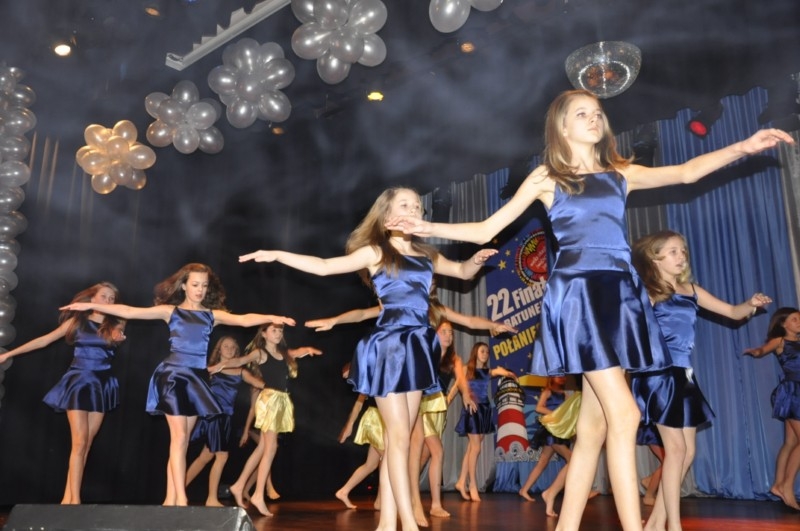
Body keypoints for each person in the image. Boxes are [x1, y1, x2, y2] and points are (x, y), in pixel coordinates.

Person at [386, 89, 792, 531]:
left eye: (597, 112)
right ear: (562, 127)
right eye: (581, 113)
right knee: (626, 414)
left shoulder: (619, 173)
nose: (593, 118)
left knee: (594, 429)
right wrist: (425, 225)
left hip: (620, 294)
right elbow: (487, 228)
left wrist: (743, 146)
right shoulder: (548, 177)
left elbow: (687, 172)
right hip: (581, 294)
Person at [239, 187, 496, 531]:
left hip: (418, 346)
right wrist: (277, 254)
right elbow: (325, 266)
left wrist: (476, 261)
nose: (413, 210)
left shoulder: (427, 254)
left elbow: (462, 272)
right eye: (405, 205)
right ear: (387, 216)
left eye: (417, 206)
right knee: (399, 438)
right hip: (389, 346)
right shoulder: (376, 251)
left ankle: (387, 523)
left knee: (398, 441)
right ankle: (407, 521)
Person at [60, 263, 295, 507]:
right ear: (184, 286)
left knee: (181, 442)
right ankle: (181, 499)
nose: (200, 290)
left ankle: (170, 499)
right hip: (173, 376)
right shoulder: (171, 312)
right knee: (180, 436)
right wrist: (91, 306)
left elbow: (243, 320)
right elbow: (130, 311)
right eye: (195, 285)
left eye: (204, 286)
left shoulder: (211, 316)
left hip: (196, 380)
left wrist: (271, 317)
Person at [307, 294, 516, 524]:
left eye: (450, 332)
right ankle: (410, 508)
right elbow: (364, 313)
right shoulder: (398, 304)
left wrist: (492, 324)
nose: (448, 335)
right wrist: (335, 320)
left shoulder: (436, 314)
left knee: (404, 447)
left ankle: (397, 510)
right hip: (402, 378)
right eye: (444, 331)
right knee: (404, 446)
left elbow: (468, 320)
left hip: (423, 388)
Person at [630, 230, 772, 530]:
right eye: (673, 251)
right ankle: (674, 525)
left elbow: (732, 312)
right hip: (658, 374)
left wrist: (751, 304)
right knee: (677, 450)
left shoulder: (691, 290)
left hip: (683, 374)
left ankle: (655, 523)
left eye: (683, 250)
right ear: (654, 258)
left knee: (688, 452)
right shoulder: (646, 292)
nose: (681, 256)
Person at [0, 282, 125, 505]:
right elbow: (45, 340)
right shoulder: (77, 322)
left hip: (101, 385)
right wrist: (10, 354)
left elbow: (119, 333)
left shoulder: (116, 323)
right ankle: (74, 501)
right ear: (92, 299)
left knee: (86, 444)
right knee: (79, 442)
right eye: (104, 296)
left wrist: (118, 336)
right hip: (79, 382)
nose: (108, 301)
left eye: (112, 298)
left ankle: (68, 498)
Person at [213, 322, 321, 517]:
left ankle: (239, 485)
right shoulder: (260, 353)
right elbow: (239, 361)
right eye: (274, 330)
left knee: (263, 447)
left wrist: (309, 349)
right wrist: (217, 366)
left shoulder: (284, 353)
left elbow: (298, 352)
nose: (278, 333)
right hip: (269, 400)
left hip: (281, 400)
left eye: (280, 331)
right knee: (271, 448)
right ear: (264, 334)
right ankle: (258, 495)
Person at [185, 336, 265, 507]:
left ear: (236, 351)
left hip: (226, 418)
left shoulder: (241, 371)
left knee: (205, 457)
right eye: (225, 346)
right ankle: (211, 499)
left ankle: (179, 489)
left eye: (232, 347)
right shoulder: (212, 370)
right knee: (222, 456)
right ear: (219, 350)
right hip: (213, 416)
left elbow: (260, 384)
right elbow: (192, 385)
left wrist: (272, 375)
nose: (229, 349)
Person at [744, 307, 800, 510]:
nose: (799, 322)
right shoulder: (780, 340)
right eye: (794, 319)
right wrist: (757, 351)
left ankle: (777, 484)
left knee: (790, 442)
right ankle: (787, 486)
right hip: (792, 392)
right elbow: (763, 350)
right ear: (783, 324)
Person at [449, 341, 516, 502]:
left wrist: (508, 373)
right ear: (475, 352)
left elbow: (498, 371)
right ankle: (472, 484)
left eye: (487, 352)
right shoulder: (467, 369)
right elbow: (457, 386)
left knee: (472, 448)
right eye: (482, 351)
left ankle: (461, 481)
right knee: (476, 448)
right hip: (472, 410)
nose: (485, 354)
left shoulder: (487, 371)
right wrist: (448, 399)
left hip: (484, 410)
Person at [334, 362, 385, 510]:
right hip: (374, 421)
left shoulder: (374, 374)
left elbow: (358, 403)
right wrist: (349, 426)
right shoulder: (367, 379)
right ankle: (382, 500)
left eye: (349, 376)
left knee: (371, 464)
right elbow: (358, 404)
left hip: (380, 420)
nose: (349, 381)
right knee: (389, 460)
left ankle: (344, 491)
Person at [519, 376, 572, 503]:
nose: (561, 378)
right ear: (552, 378)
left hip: (558, 430)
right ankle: (578, 491)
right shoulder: (548, 392)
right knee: (572, 459)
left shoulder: (564, 394)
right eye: (558, 376)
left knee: (543, 461)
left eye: (562, 376)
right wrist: (554, 414)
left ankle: (524, 490)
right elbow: (538, 408)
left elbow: (568, 409)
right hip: (551, 431)